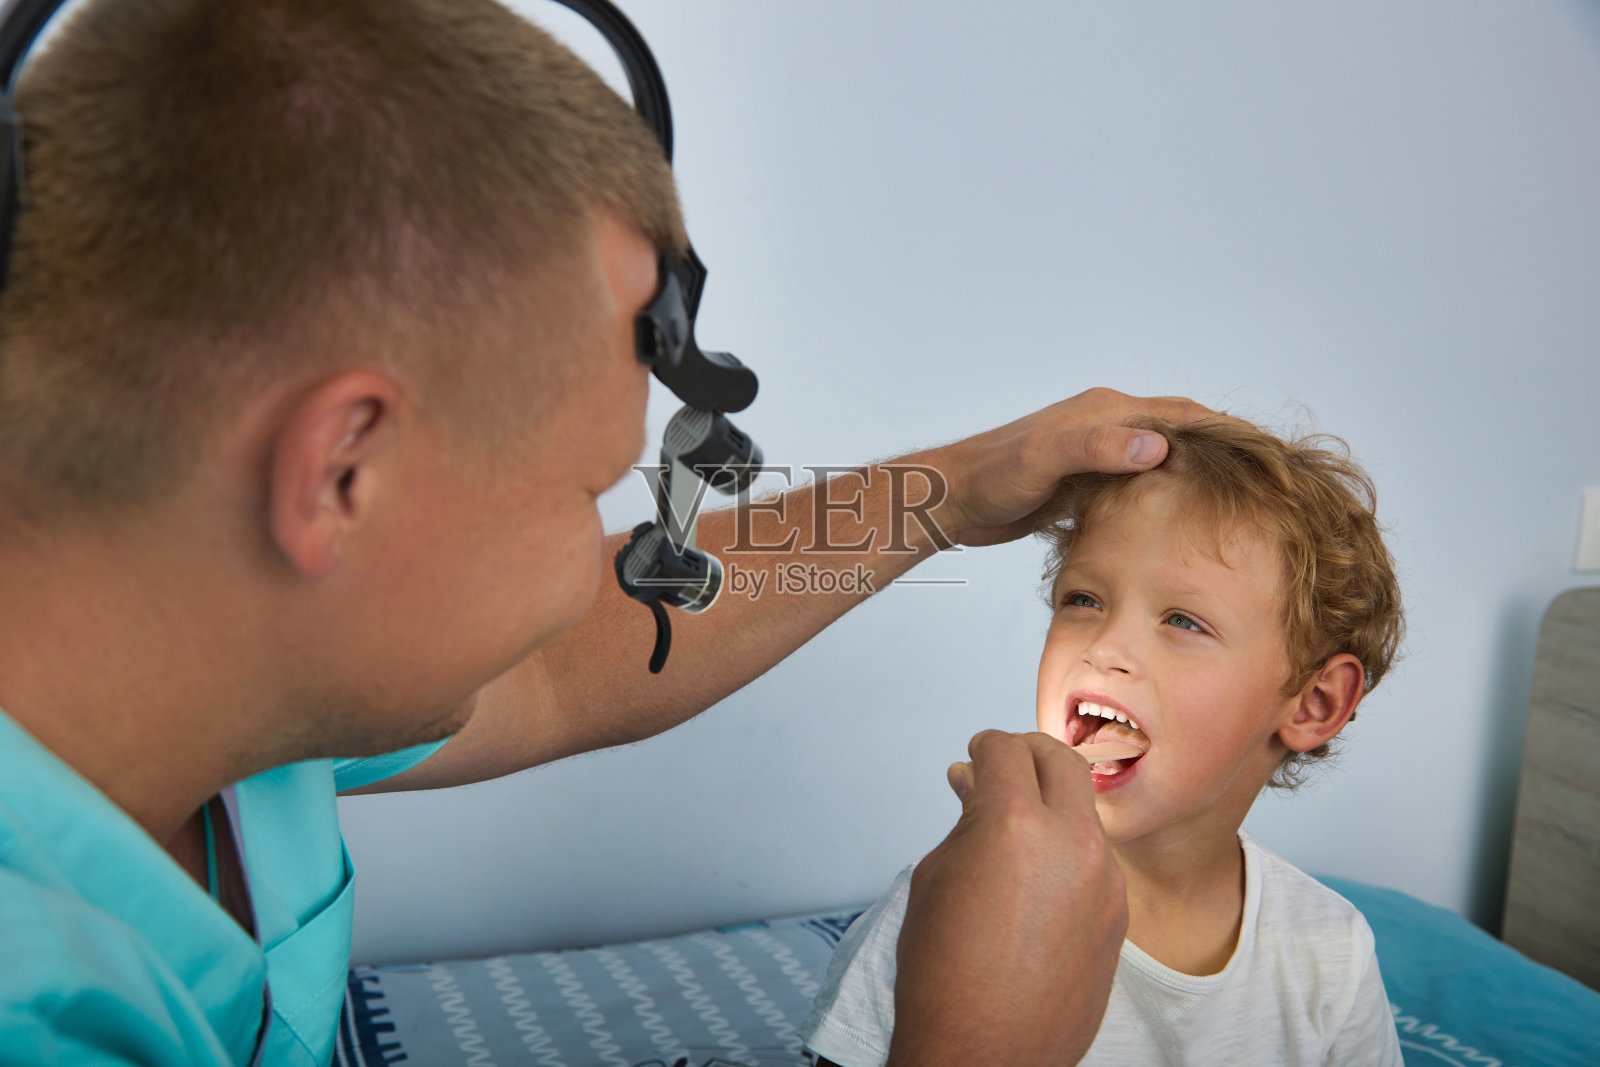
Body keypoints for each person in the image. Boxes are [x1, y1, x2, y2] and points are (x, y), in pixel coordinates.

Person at [0, 0, 1207, 1064]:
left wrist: (948, 487)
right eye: (584, 492)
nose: (601, 556)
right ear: (340, 473)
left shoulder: (227, 667)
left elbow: (560, 662)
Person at [800, 414, 1407, 1066]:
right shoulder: (946, 912)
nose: (1105, 646)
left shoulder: (1330, 951)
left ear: (1314, 704)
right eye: (1084, 598)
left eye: (1182, 619)